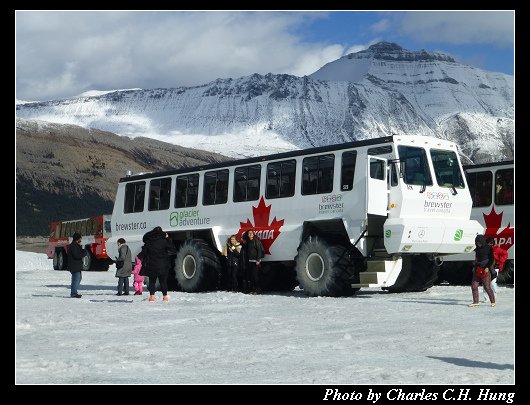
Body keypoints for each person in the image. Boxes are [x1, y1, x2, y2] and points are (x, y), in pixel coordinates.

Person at [142, 226, 177, 302]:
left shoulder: (149, 242)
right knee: (163, 281)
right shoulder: (164, 242)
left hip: (152, 265)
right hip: (163, 265)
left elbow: (144, 252)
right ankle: (165, 297)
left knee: (152, 281)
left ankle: (152, 297)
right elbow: (173, 250)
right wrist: (168, 239)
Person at [469, 234, 496, 307]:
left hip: (485, 270)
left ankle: (493, 301)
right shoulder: (477, 249)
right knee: (474, 286)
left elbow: (491, 259)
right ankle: (475, 302)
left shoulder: (489, 248)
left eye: (479, 243)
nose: (478, 244)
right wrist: (474, 267)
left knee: (487, 287)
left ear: (483, 241)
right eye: (477, 243)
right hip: (477, 269)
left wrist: (487, 267)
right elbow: (477, 259)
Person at [483, 237, 509, 303]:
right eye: (488, 243)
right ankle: (486, 298)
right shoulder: (484, 249)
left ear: (493, 243)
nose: (490, 244)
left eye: (491, 243)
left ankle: (494, 295)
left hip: (495, 267)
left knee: (493, 283)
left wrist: (500, 261)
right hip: (486, 268)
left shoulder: (497, 249)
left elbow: (505, 254)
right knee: (485, 283)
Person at [243, 229, 265, 294]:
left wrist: (258, 260)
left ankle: (257, 290)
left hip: (256, 261)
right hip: (250, 261)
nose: (250, 234)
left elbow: (259, 251)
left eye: (251, 233)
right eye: (249, 233)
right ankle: (252, 290)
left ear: (253, 234)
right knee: (251, 276)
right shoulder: (248, 241)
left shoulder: (256, 241)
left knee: (255, 276)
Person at [67, 232, 86, 298]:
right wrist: (84, 252)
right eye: (80, 239)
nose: (81, 240)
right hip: (74, 266)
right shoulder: (73, 246)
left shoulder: (76, 245)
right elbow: (77, 255)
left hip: (76, 266)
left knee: (78, 278)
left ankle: (74, 292)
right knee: (76, 279)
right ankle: (73, 293)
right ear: (77, 239)